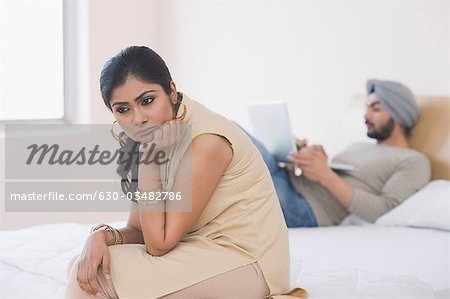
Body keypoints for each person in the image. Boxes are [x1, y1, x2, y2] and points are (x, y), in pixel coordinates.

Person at [64, 46, 307, 299]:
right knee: (85, 266)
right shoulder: (152, 137)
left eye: (147, 101)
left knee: (99, 279)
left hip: (249, 261)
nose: (138, 119)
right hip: (201, 252)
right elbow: (139, 230)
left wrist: (149, 160)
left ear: (171, 90)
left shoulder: (208, 140)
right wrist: (100, 236)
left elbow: (159, 244)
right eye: (123, 109)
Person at [246, 79, 431, 227]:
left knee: (235, 140)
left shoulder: (413, 161)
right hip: (290, 182)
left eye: (375, 109)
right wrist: (310, 159)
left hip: (307, 208)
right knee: (235, 135)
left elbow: (384, 210)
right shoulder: (358, 146)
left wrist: (325, 175)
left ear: (400, 115)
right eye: (366, 108)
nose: (365, 116)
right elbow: (330, 175)